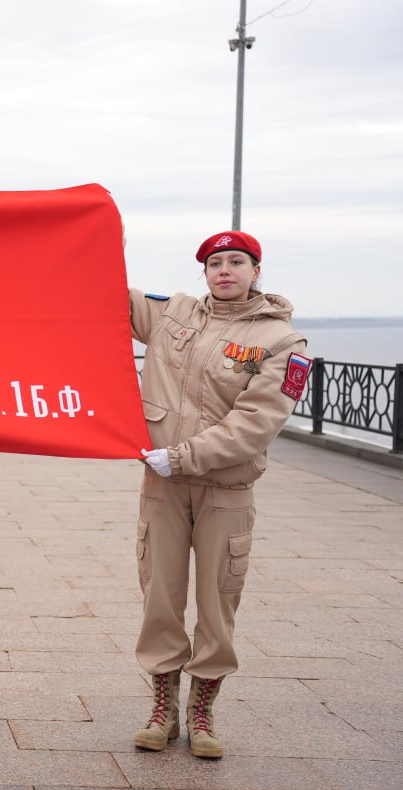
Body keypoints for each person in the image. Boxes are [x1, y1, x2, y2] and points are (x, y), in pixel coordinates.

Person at [130, 230, 308, 758]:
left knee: (217, 599)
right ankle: (162, 710)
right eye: (214, 263)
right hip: (162, 487)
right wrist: (95, 233)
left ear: (257, 270)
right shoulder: (174, 314)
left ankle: (202, 713)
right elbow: (105, 296)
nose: (224, 270)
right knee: (159, 596)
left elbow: (257, 423)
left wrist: (181, 455)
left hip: (225, 489)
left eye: (236, 262)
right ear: (203, 272)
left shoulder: (282, 342)